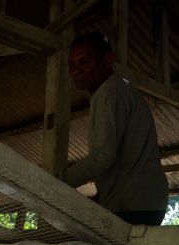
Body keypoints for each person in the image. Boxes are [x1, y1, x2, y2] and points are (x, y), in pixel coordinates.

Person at [62, 32, 169, 227]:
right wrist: (101, 197)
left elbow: (103, 156)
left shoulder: (110, 91)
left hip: (134, 207)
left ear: (108, 60)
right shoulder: (115, 90)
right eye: (72, 64)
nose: (76, 70)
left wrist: (56, 181)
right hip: (141, 203)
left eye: (84, 62)